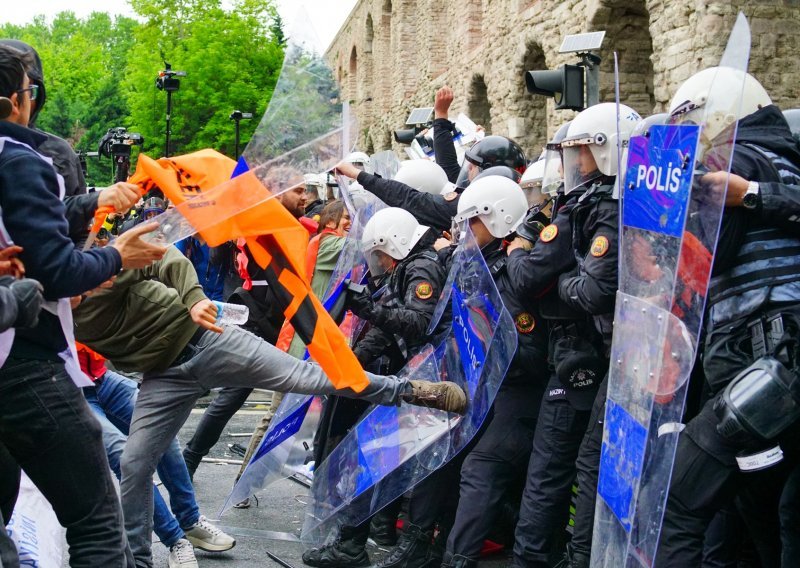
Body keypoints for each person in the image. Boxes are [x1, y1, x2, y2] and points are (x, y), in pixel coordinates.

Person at [72, 241, 467, 567]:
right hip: (163, 377)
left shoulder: (94, 264)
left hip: (209, 339)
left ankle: (412, 391)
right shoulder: (45, 311)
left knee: (313, 378)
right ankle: (138, 562)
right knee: (134, 464)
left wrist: (193, 299)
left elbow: (164, 255)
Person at [0, 44, 166, 568]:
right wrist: (119, 254)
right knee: (96, 520)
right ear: (17, 100)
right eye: (33, 90)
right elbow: (59, 271)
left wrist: (92, 202)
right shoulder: (19, 159)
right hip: (21, 359)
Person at [656, 69, 800, 567]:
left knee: (680, 499)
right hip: (772, 362)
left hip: (764, 363)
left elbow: (702, 265)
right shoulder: (783, 162)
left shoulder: (733, 164)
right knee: (767, 519)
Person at [505, 104, 641, 568]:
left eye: (581, 153)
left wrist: (526, 250)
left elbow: (537, 280)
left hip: (582, 353)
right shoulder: (623, 202)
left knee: (557, 466)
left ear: (603, 151)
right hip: (609, 353)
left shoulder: (592, 207)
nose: (575, 166)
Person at [302, 206, 446, 568]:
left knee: (376, 458)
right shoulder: (405, 268)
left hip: (422, 377)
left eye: (380, 254)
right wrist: (348, 368)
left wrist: (367, 308)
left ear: (394, 244)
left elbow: (415, 321)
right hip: (407, 377)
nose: (379, 262)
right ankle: (353, 541)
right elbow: (385, 329)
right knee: (372, 458)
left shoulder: (422, 266)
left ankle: (355, 545)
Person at [181, 185, 316, 482]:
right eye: (300, 191)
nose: (306, 197)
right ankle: (189, 458)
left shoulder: (296, 226)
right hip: (258, 321)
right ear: (278, 194)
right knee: (231, 396)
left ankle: (227, 470)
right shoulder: (261, 225)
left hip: (284, 325)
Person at [77, 344, 235, 568]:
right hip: (69, 387)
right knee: (124, 456)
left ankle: (190, 521)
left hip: (101, 377)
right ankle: (176, 539)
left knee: (164, 432)